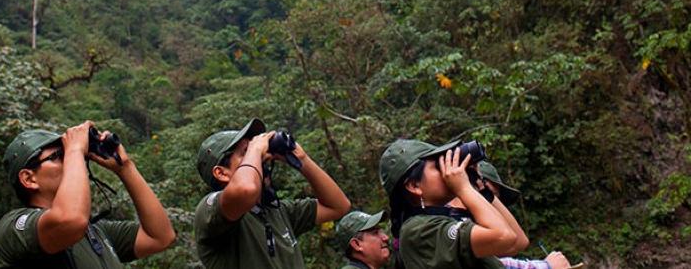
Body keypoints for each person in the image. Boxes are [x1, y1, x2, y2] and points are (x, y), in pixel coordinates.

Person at [0, 121, 175, 268]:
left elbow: (160, 237)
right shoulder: (13, 228)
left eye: (68, 154)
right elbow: (70, 220)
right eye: (58, 155)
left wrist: (125, 168)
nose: (73, 160)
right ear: (29, 178)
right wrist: (74, 150)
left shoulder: (95, 233)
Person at [194, 118, 351, 268]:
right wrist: (255, 148)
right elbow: (245, 189)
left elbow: (338, 206)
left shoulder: (278, 212)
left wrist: (302, 159)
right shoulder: (210, 211)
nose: (261, 157)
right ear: (221, 173)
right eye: (245, 152)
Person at [379, 139, 525, 269]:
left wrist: (484, 192)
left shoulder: (441, 219)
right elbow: (504, 237)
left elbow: (517, 243)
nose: (447, 170)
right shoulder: (419, 230)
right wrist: (463, 187)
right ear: (414, 185)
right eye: (438, 165)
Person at [450, 161, 571, 269]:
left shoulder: (479, 230)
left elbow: (519, 243)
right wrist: (546, 266)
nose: (494, 207)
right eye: (491, 196)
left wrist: (488, 194)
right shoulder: (451, 225)